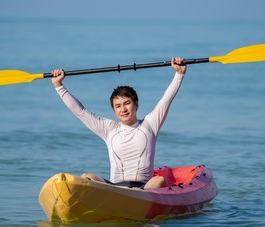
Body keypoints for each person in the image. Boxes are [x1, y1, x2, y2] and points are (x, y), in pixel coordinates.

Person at [51, 57, 187, 189]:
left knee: (158, 180)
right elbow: (80, 111)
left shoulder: (150, 125)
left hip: (144, 188)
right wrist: (59, 86)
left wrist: (179, 74)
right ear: (114, 110)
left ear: (136, 104)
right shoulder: (109, 129)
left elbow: (166, 100)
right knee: (87, 176)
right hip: (115, 189)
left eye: (127, 103)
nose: (123, 109)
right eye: (118, 106)